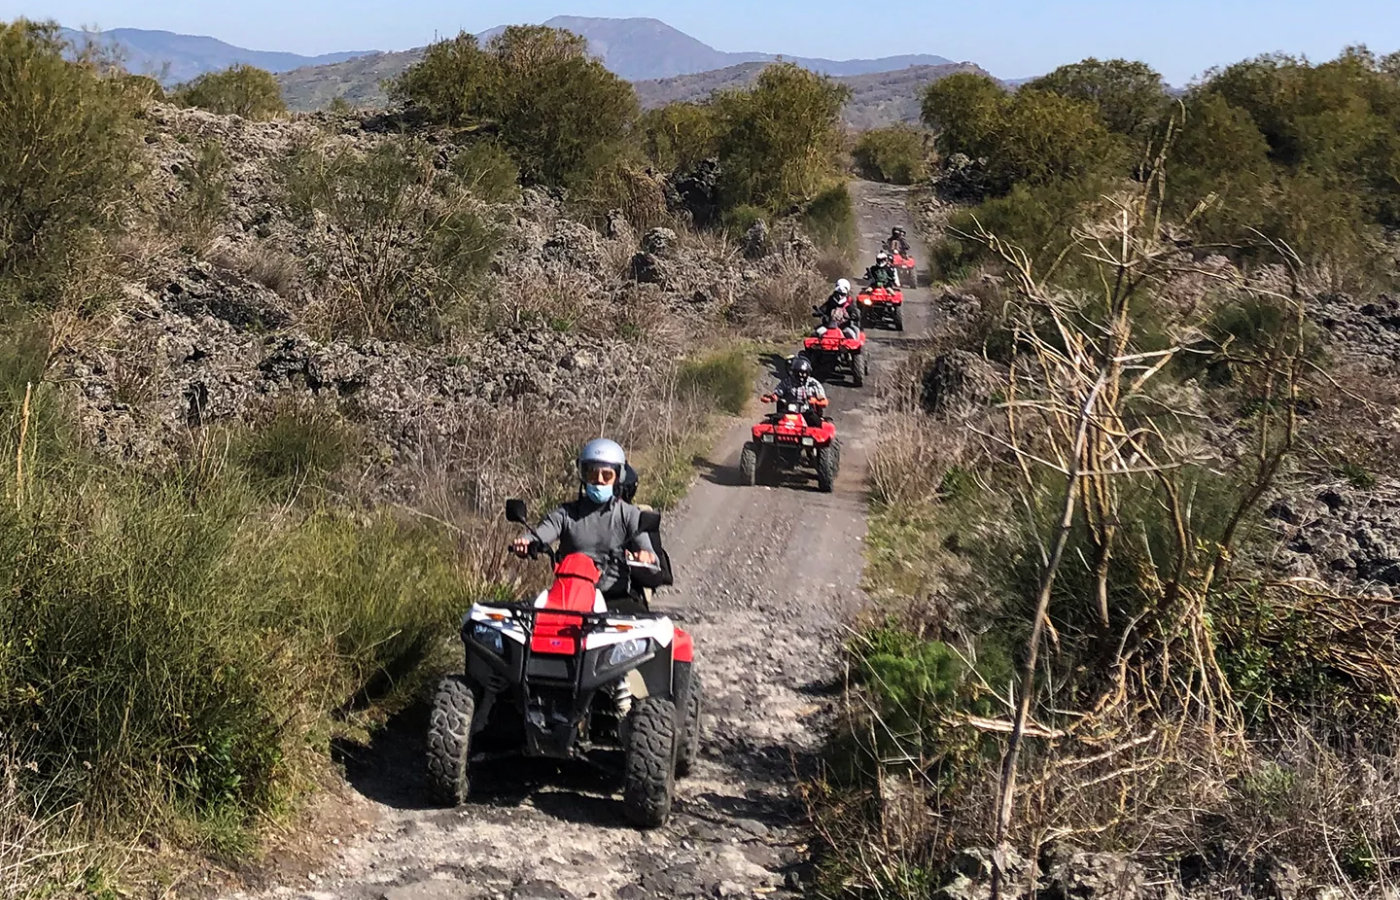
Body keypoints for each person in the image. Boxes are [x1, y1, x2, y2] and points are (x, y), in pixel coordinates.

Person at [511, 439, 658, 602]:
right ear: (583, 475)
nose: (599, 480)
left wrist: (646, 556)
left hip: (615, 599)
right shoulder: (566, 514)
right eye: (593, 474)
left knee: (645, 626)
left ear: (618, 477)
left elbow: (649, 554)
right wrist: (525, 542)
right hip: (568, 597)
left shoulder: (630, 514)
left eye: (607, 475)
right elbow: (540, 534)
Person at [763, 355, 828, 428]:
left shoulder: (814, 384)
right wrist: (771, 398)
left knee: (818, 424)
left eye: (803, 373)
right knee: (772, 420)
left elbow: (824, 403)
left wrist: (815, 401)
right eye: (798, 373)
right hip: (787, 412)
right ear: (793, 372)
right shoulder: (787, 382)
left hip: (807, 412)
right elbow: (777, 394)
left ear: (808, 373)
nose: (801, 376)